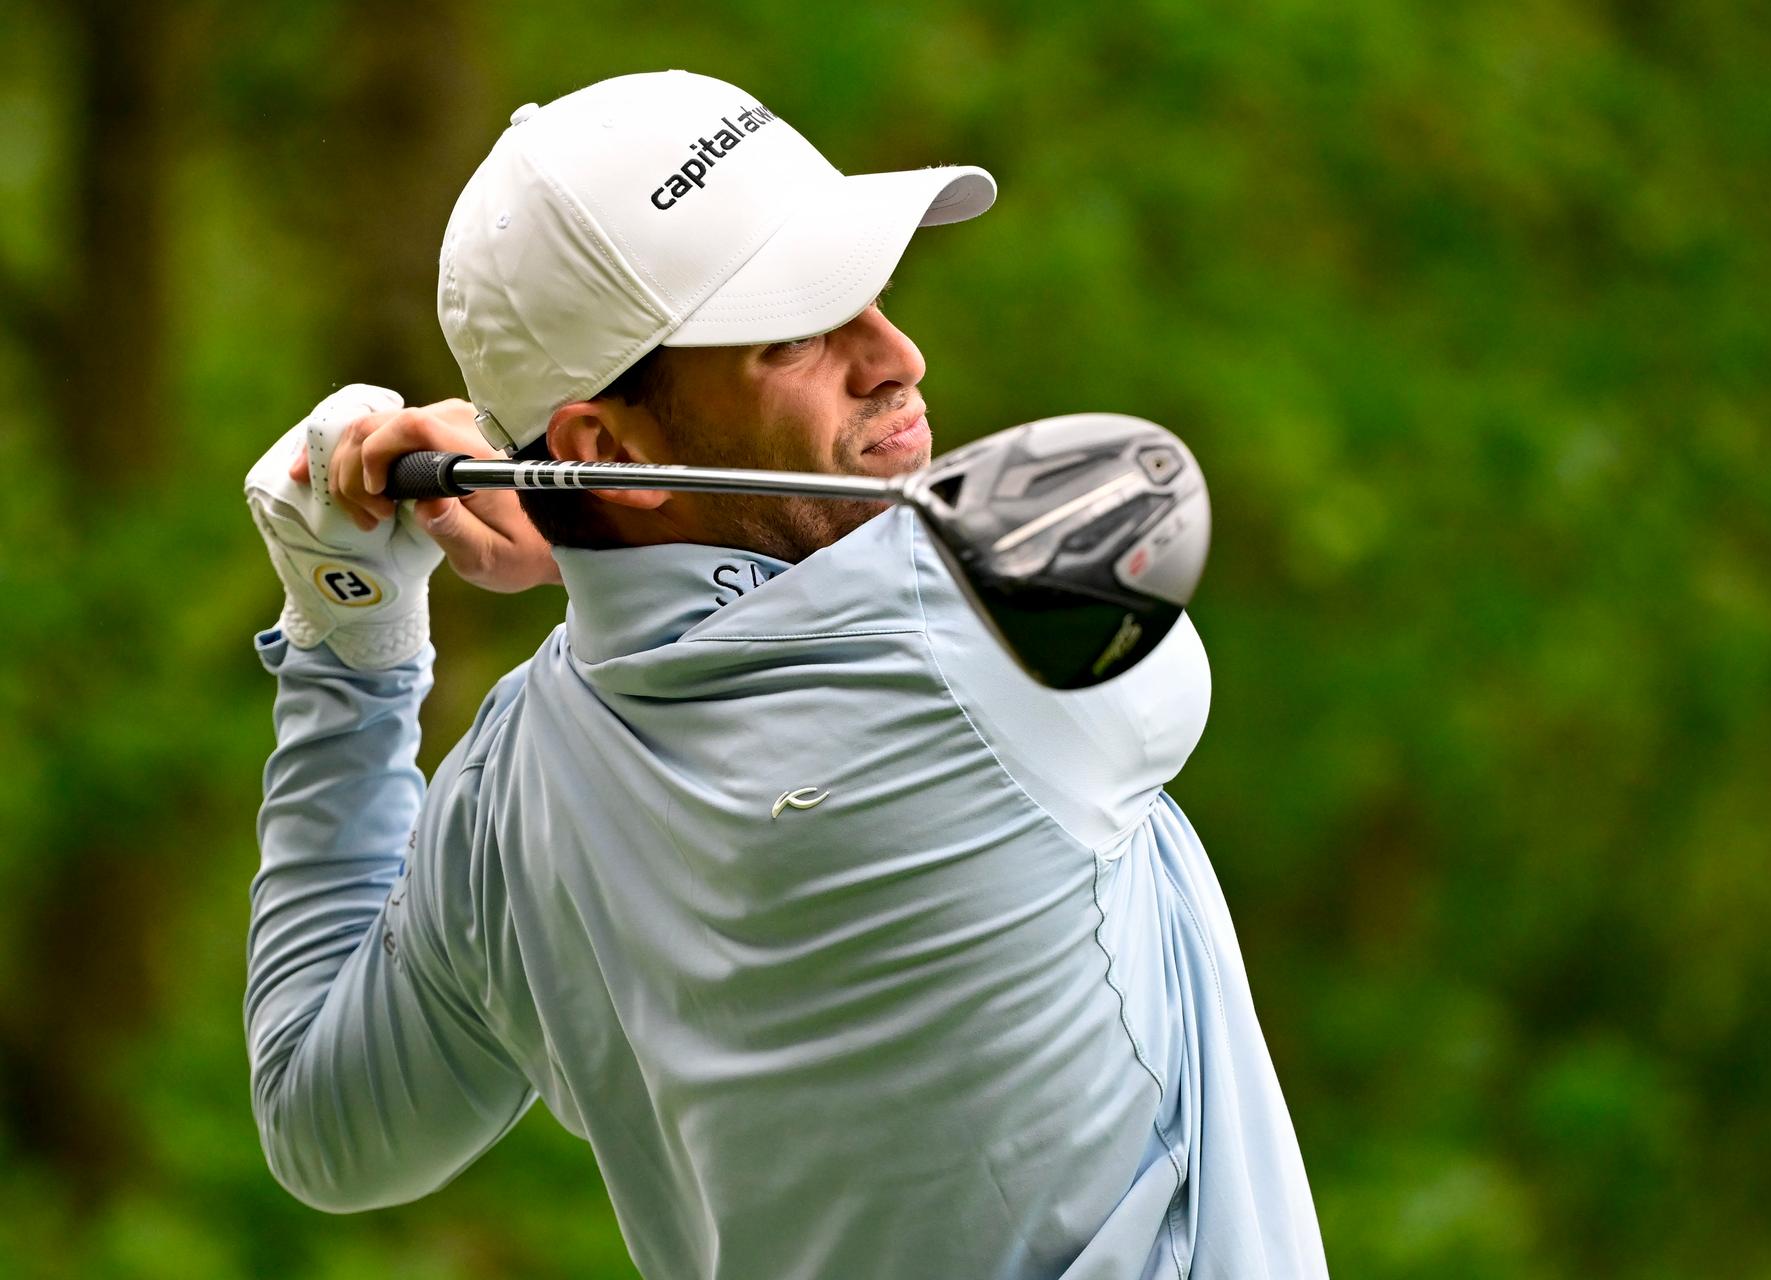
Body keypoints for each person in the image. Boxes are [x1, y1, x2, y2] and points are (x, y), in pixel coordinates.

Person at [242, 70, 1328, 1279]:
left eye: (865, 294)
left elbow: (322, 1126)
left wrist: (352, 633)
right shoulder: (988, 659)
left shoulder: (507, 798)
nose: (896, 355)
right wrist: (581, 552)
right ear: (609, 448)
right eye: (797, 333)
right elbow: (1103, 524)